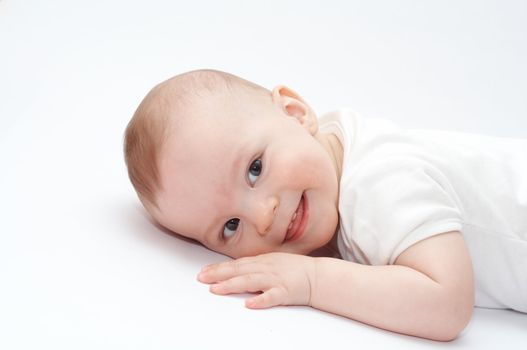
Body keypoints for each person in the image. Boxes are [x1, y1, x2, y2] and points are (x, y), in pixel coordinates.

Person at [123, 69, 527, 341]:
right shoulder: (332, 155)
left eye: (255, 168)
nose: (263, 216)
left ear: (296, 114)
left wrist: (313, 280)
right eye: (230, 226)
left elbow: (446, 304)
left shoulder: (377, 181)